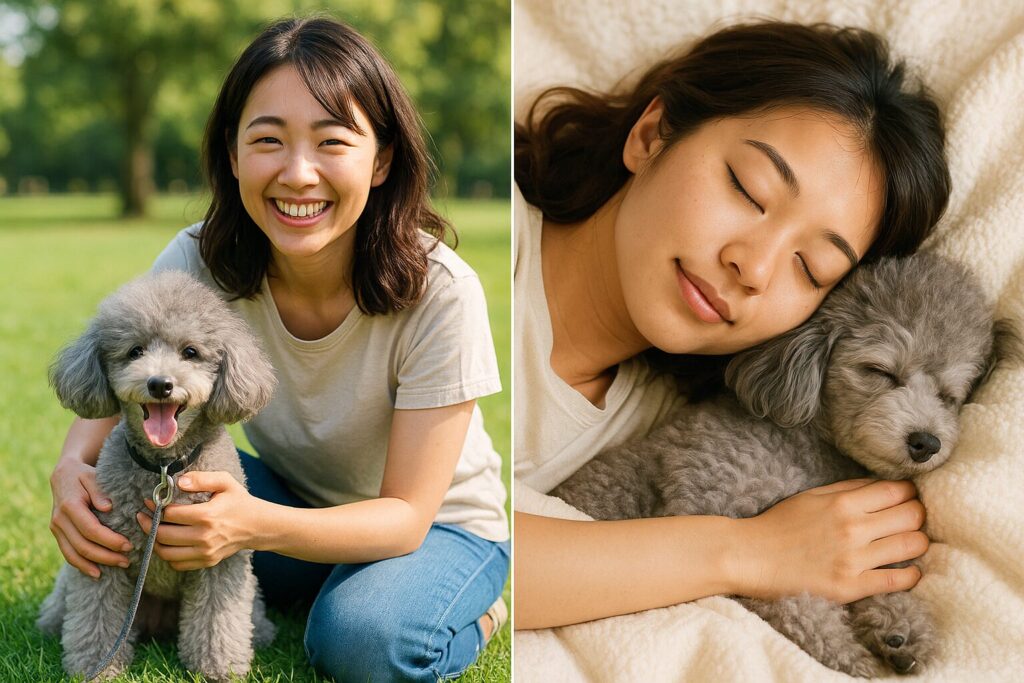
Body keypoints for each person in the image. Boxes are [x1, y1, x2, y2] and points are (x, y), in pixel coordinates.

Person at [46, 16, 509, 681]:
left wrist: (249, 525)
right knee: (149, 490)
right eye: (268, 140)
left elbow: (407, 516)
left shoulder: (441, 292)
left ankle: (471, 608)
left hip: (437, 525)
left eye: (331, 141)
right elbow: (113, 378)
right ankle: (327, 578)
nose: (298, 174)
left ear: (380, 159)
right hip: (298, 499)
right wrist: (70, 471)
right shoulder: (197, 259)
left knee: (358, 641)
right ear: (233, 154)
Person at [513, 21, 950, 628]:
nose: (754, 266)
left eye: (810, 266)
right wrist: (750, 552)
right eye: (749, 190)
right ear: (650, 134)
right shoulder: (467, 240)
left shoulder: (666, 428)